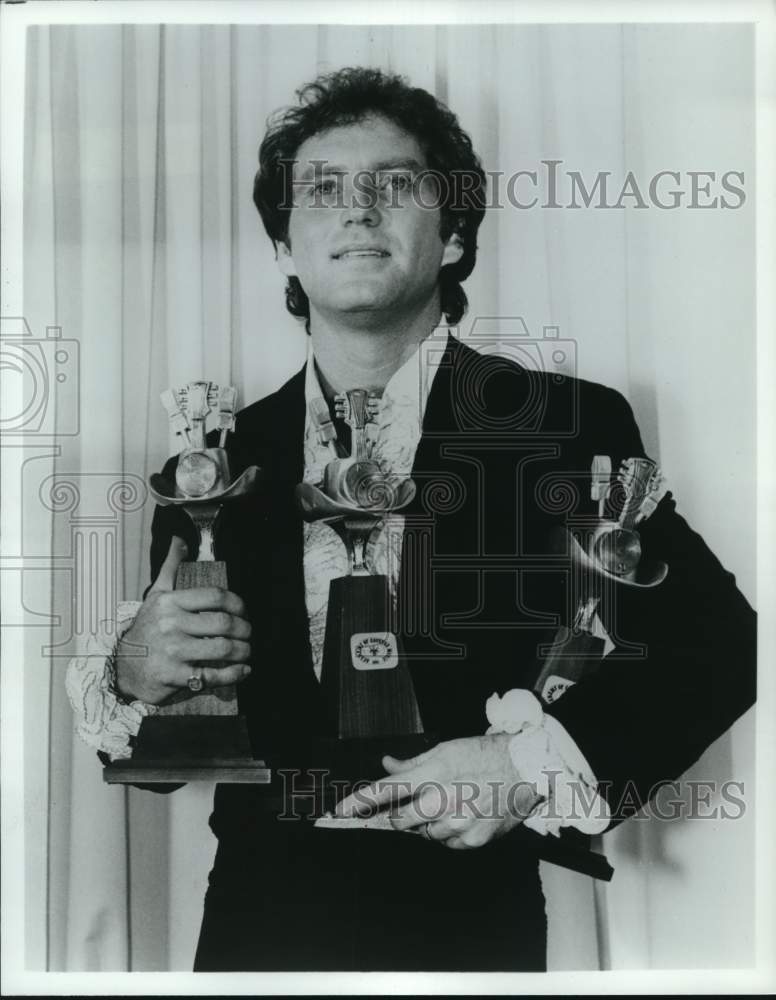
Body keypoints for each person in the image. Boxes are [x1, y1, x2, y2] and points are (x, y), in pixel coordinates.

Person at [66, 67, 756, 971]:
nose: (356, 210)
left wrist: (520, 770)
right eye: (320, 191)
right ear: (284, 247)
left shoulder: (567, 425)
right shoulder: (213, 468)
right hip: (252, 923)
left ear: (456, 236)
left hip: (476, 923)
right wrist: (133, 670)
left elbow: (719, 644)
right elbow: (164, 756)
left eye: (394, 185)